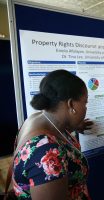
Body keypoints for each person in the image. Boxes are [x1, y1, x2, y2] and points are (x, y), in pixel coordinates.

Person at [12, 70, 92, 199]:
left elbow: (56, 135)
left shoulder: (37, 119)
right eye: (85, 102)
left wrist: (75, 125)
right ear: (71, 104)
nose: (86, 107)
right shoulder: (48, 154)